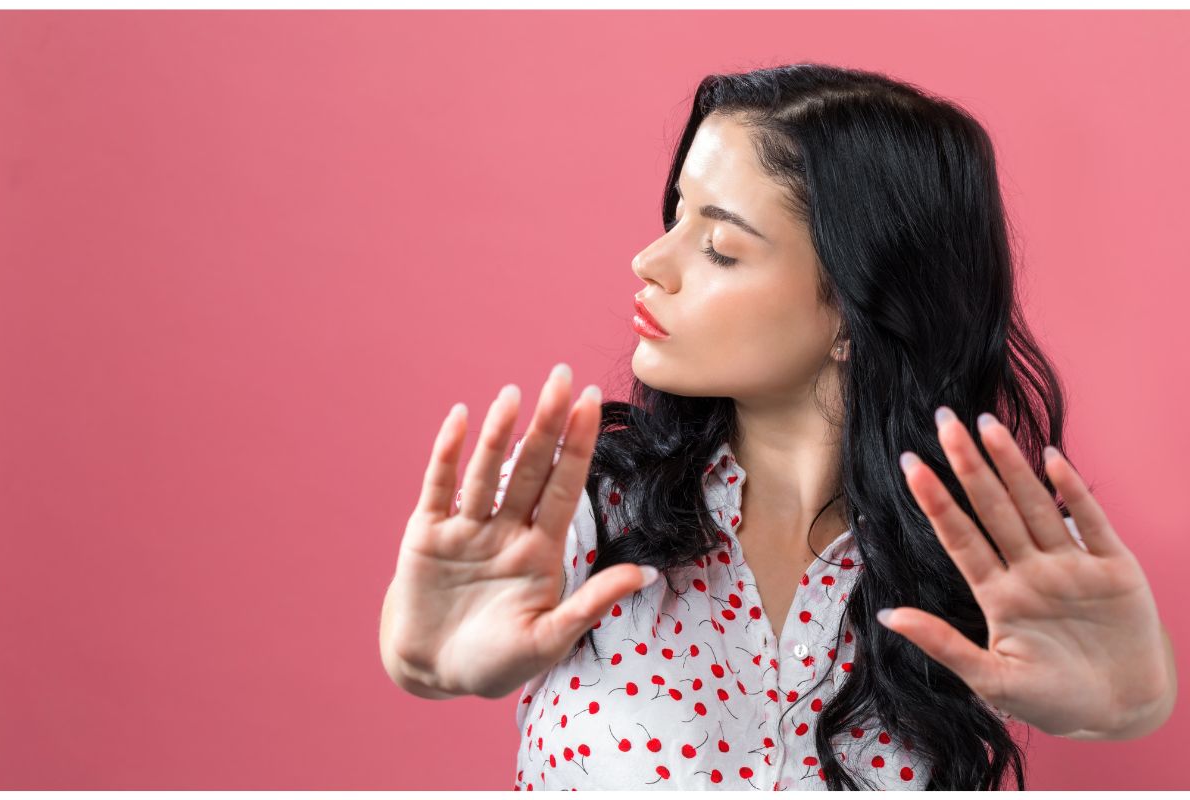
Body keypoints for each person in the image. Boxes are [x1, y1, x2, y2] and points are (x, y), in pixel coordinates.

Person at [380, 63, 1176, 790]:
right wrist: (427, 657)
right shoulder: (585, 499)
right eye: (676, 216)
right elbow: (441, 647)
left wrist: (1126, 704)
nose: (651, 261)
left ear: (856, 312)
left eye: (720, 246)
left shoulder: (992, 555)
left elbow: (1103, 692)